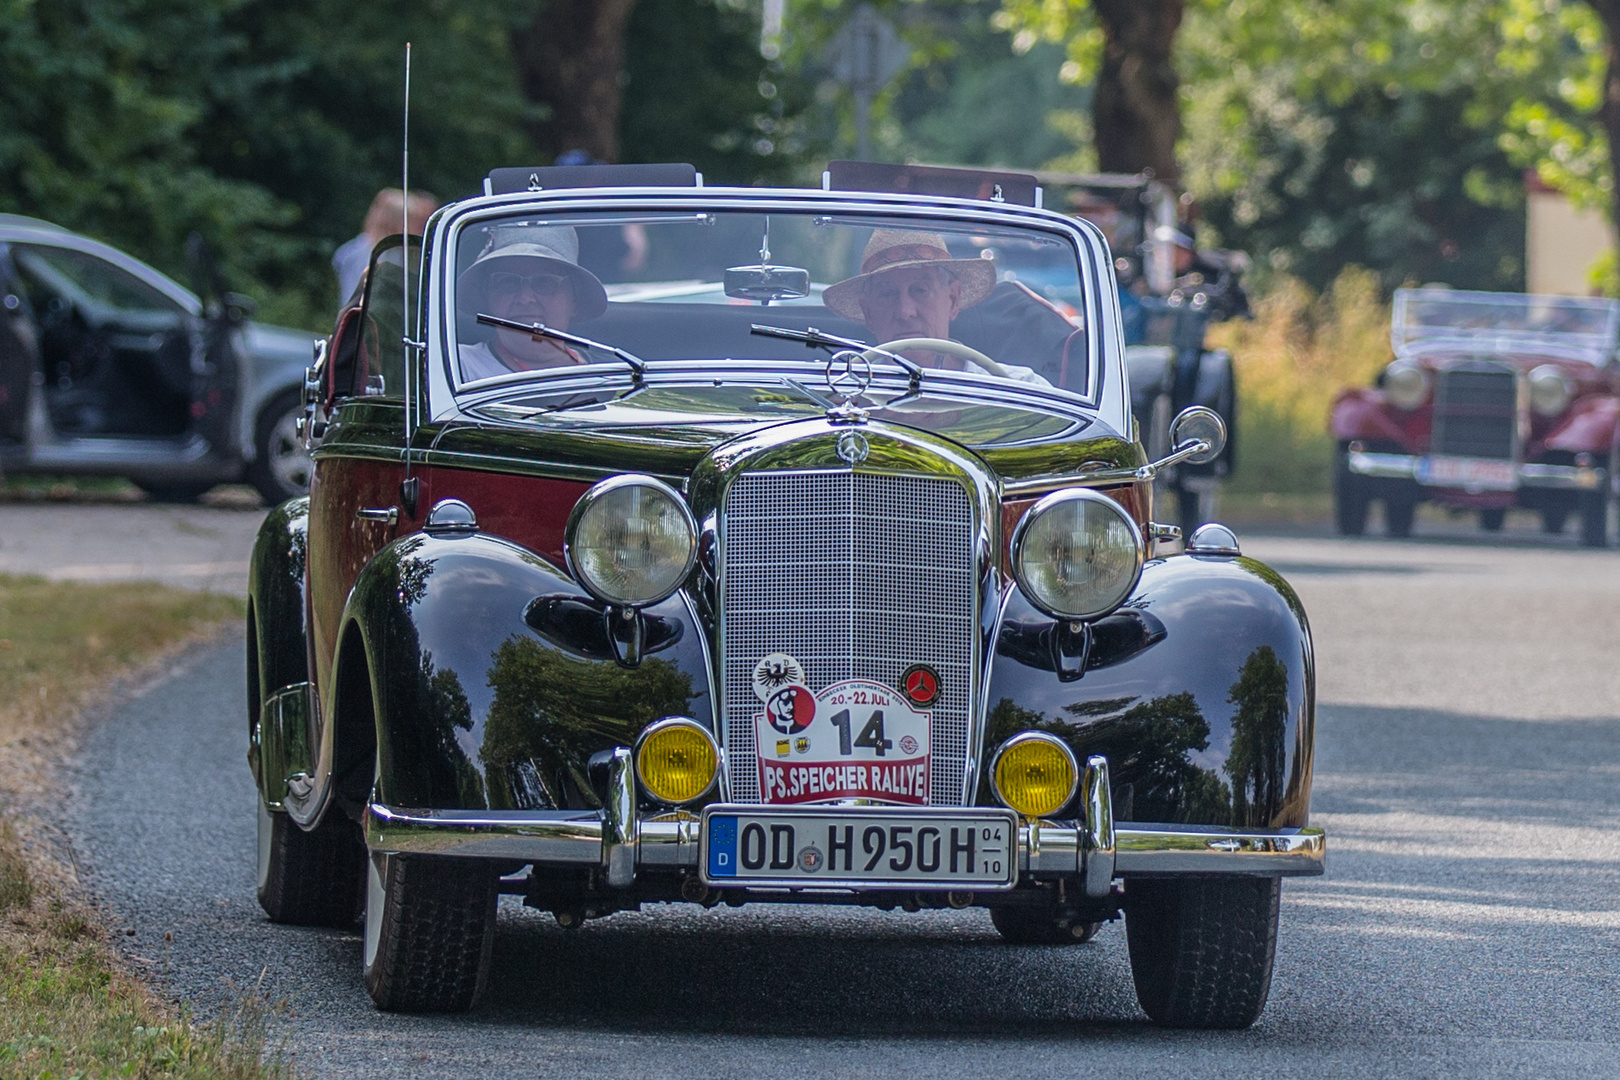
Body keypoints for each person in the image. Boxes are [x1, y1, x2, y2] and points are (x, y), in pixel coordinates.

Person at [822, 229, 1046, 384]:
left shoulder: (1021, 388)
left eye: (920, 290)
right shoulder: (838, 394)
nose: (905, 311)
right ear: (868, 312)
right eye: (888, 293)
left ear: (953, 300)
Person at [455, 224, 610, 381]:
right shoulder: (457, 368)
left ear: (574, 300)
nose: (525, 299)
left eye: (545, 283)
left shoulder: (614, 375)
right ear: (488, 298)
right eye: (508, 282)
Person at [333, 189, 438, 303]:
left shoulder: (398, 252)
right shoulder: (363, 254)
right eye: (414, 221)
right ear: (395, 222)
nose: (419, 228)